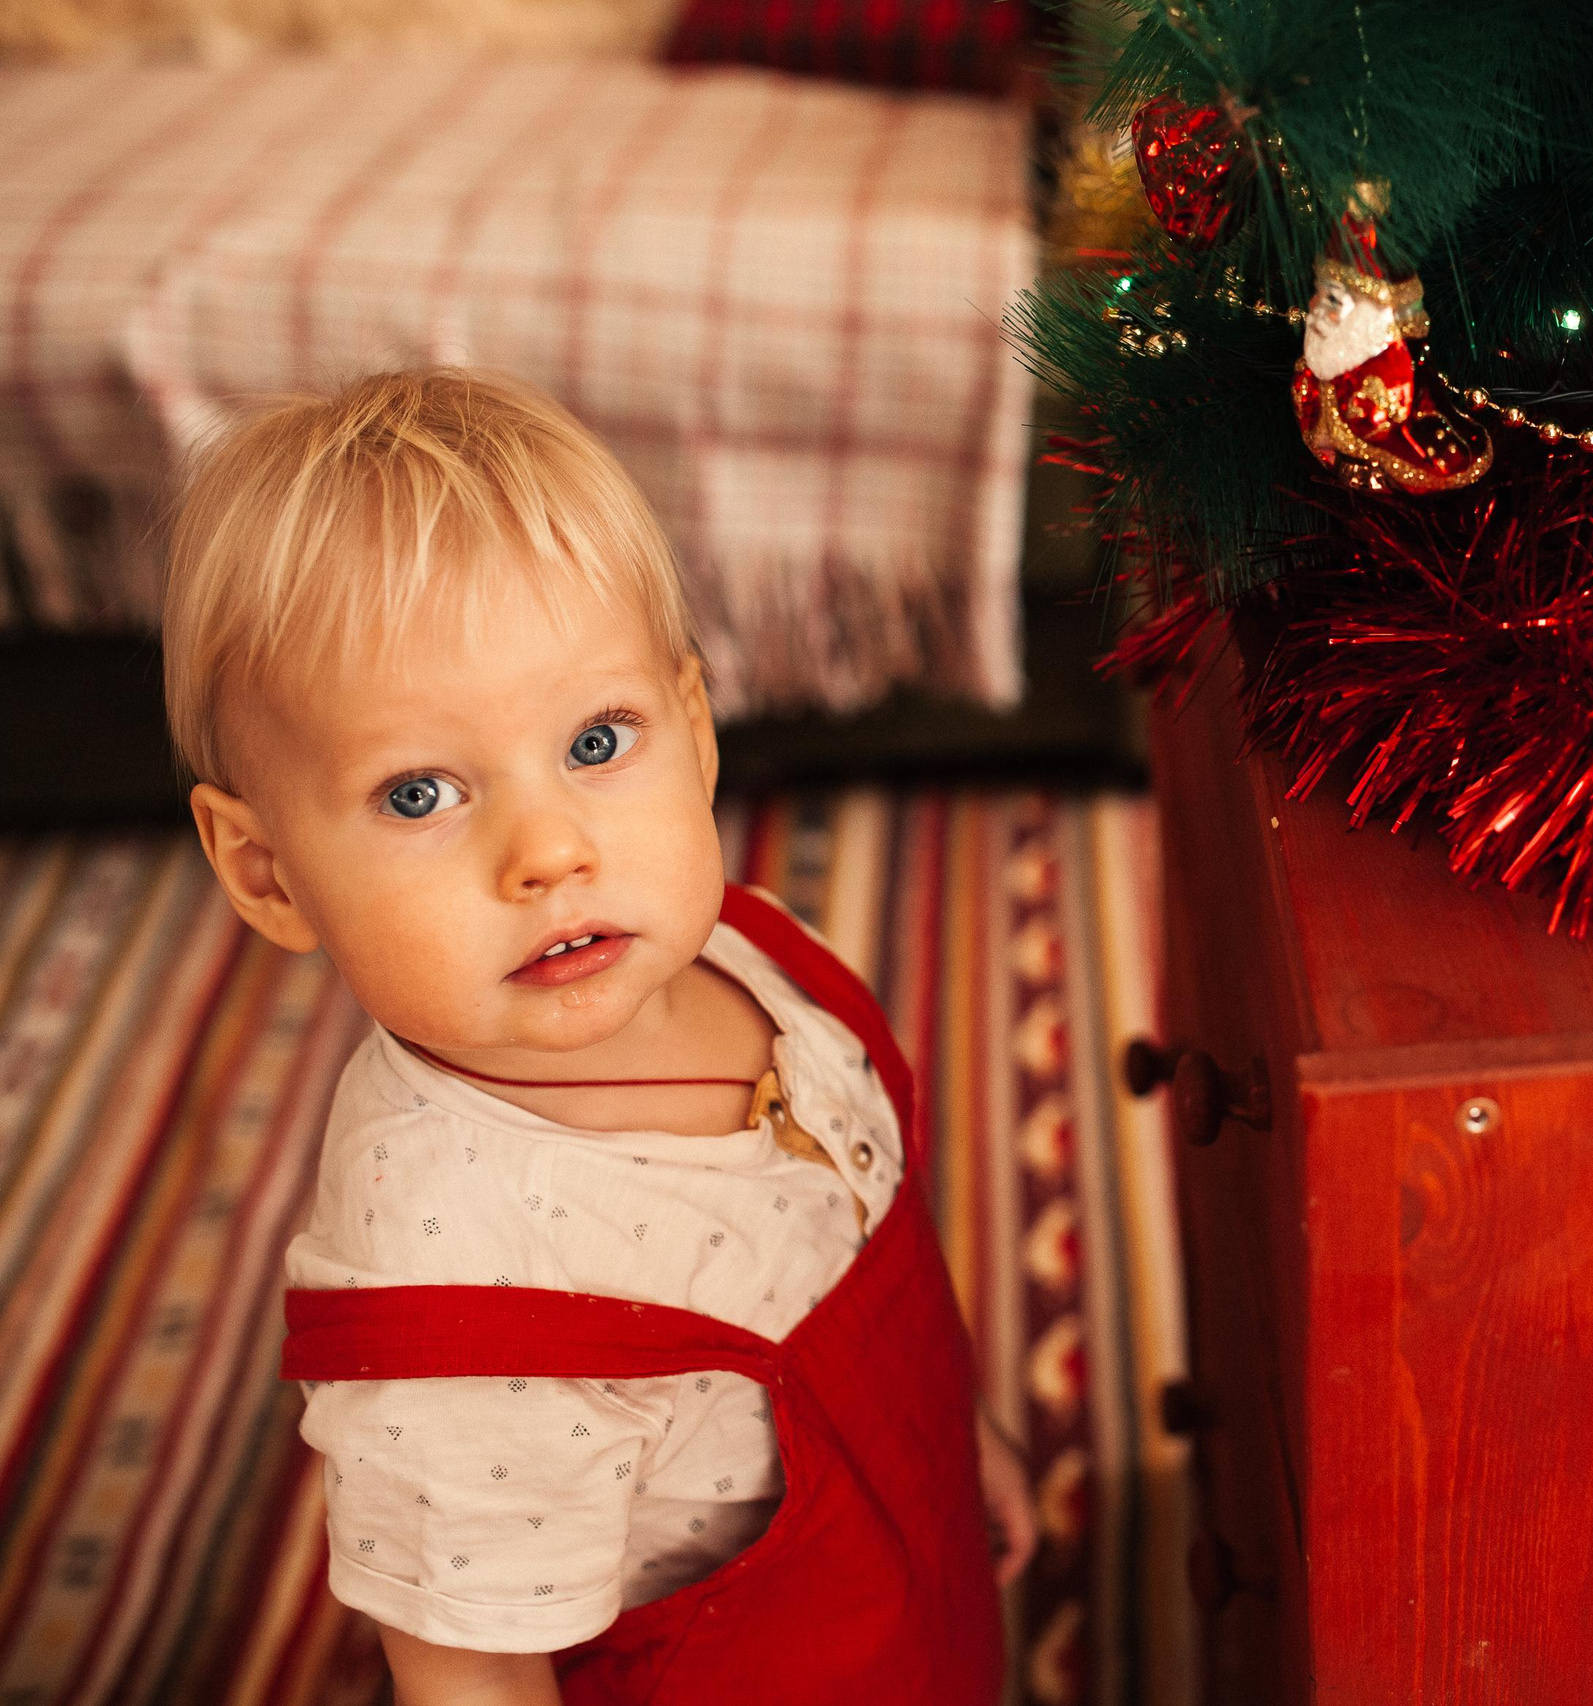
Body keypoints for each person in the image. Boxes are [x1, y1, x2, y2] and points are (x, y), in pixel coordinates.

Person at [161, 368, 1033, 1705]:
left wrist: (956, 1438)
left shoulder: (761, 962)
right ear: (267, 870)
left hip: (916, 1577)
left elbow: (868, 1237)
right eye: (420, 791)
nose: (549, 849)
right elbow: (470, 1672)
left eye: (595, 738)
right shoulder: (448, 1283)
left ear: (692, 725)